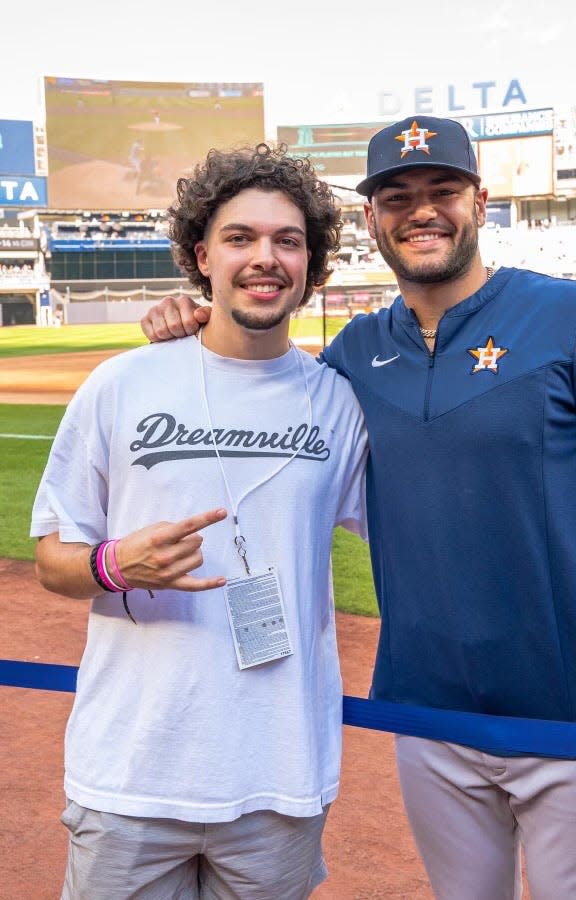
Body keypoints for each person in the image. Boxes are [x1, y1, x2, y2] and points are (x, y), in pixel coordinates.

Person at [140, 116, 576, 900]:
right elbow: (256, 376)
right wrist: (193, 318)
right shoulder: (350, 358)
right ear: (372, 219)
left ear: (480, 199)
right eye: (397, 196)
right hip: (428, 716)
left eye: (443, 190)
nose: (421, 210)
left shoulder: (571, 317)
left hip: (572, 719)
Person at [31, 144, 367, 899]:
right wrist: (114, 566)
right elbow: (54, 556)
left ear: (312, 266)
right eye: (240, 237)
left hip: (278, 782)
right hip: (130, 777)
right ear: (200, 254)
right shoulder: (121, 383)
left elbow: (422, 534)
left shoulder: (339, 405)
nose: (265, 258)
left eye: (288, 241)